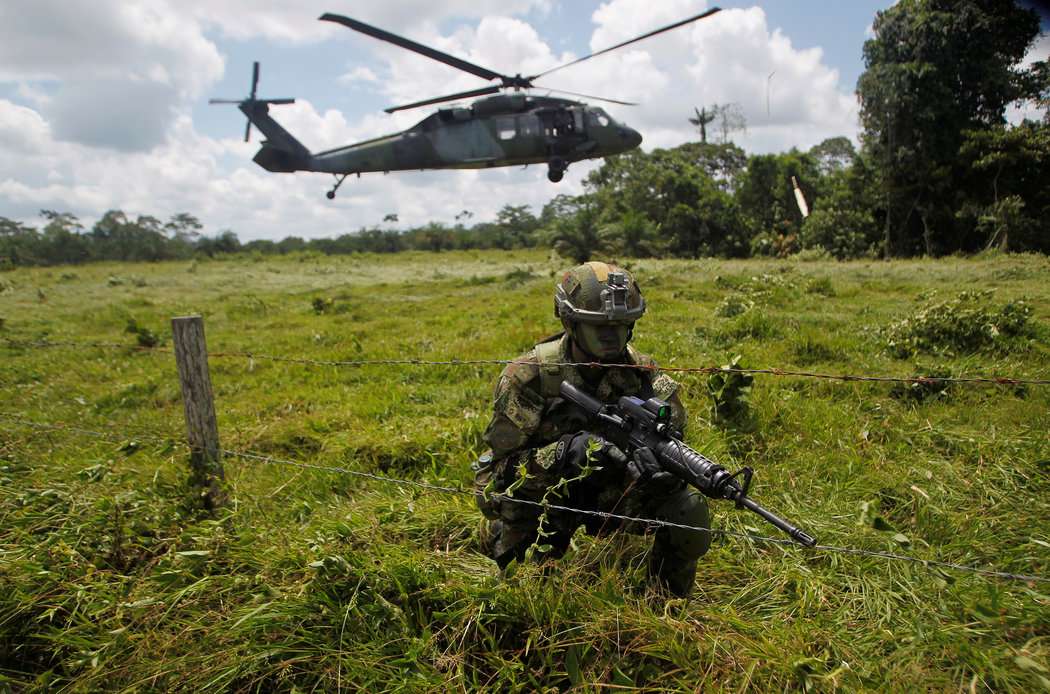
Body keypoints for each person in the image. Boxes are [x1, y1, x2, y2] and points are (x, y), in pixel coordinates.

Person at [473, 261, 711, 596]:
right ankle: (512, 552)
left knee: (686, 510)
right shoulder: (530, 378)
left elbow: (672, 439)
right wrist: (564, 454)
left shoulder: (646, 377)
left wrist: (664, 473)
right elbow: (492, 483)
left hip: (611, 491)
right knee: (527, 595)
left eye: (622, 324)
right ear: (570, 322)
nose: (612, 335)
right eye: (598, 326)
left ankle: (667, 604)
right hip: (546, 499)